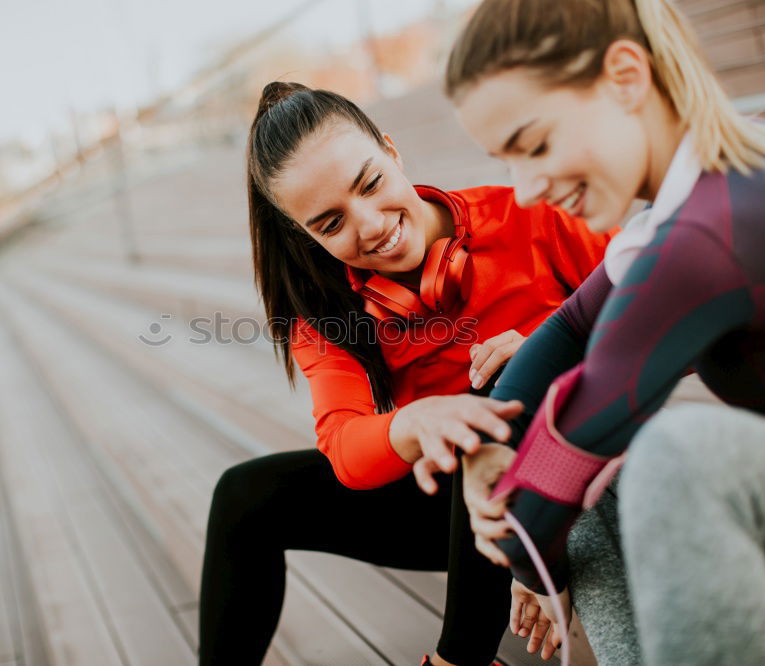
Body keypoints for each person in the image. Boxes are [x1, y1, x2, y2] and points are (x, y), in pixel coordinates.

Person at [431, 0, 765, 663]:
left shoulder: (704, 236)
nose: (523, 190)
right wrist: (491, 449)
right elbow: (571, 328)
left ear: (627, 77)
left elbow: (542, 495)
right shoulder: (722, 172)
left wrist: (519, 544)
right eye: (505, 160)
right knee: (583, 455)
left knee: (665, 455)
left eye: (536, 144)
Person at [197, 82, 613, 665]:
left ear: (392, 152)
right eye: (330, 223)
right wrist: (419, 420)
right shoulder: (323, 311)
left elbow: (658, 304)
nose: (370, 227)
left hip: (581, 468)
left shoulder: (531, 215)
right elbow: (344, 449)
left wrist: (550, 352)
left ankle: (458, 659)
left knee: (498, 382)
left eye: (369, 184)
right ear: (304, 234)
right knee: (244, 496)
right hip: (462, 518)